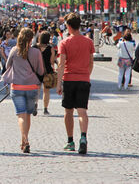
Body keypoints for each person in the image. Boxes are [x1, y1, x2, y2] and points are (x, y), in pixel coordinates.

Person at [56, 13, 94, 155]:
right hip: (84, 79)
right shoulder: (88, 42)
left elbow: (61, 64)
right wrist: (86, 75)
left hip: (69, 79)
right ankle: (83, 138)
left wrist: (59, 83)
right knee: (82, 111)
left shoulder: (64, 43)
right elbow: (91, 62)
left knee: (68, 111)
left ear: (68, 26)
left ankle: (70, 141)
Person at [1, 28, 44, 153]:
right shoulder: (36, 52)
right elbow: (41, 71)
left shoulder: (15, 50)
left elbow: (7, 66)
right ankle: (24, 140)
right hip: (32, 87)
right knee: (27, 115)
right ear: (32, 39)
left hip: (17, 87)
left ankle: (25, 140)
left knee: (21, 115)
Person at [34, 31, 56, 115]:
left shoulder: (34, 47)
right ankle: (45, 109)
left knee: (37, 89)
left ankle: (35, 104)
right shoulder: (50, 48)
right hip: (47, 71)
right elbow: (51, 62)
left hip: (37, 71)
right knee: (46, 91)